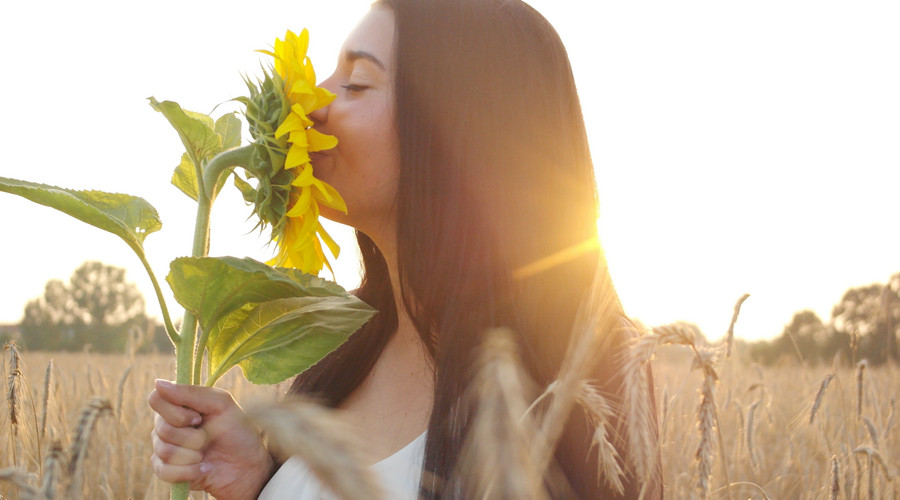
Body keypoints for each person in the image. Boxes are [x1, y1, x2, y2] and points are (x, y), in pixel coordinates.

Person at [148, 0, 663, 498]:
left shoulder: (554, 397)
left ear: (455, 128)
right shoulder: (344, 344)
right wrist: (261, 482)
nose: (311, 103)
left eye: (356, 83)